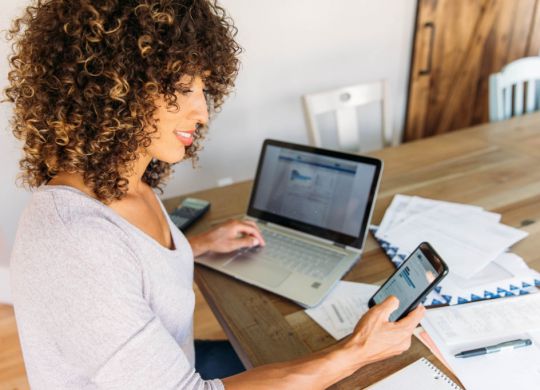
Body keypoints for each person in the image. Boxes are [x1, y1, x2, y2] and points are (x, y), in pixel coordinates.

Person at [5, 0, 425, 389]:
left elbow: (133, 269)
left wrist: (197, 245)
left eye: (204, 89)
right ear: (115, 88)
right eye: (185, 88)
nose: (203, 112)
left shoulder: (124, 184)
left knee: (300, 351)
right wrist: (356, 352)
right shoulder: (75, 243)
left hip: (176, 359)